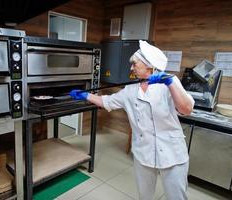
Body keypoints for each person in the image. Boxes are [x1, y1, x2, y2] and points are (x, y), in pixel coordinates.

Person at [69, 40, 194, 200]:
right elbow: (107, 101)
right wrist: (86, 95)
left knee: (177, 196)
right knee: (144, 196)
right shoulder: (130, 90)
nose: (131, 68)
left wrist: (170, 83)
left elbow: (186, 109)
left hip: (172, 151)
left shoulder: (169, 82)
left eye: (134, 64)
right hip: (144, 151)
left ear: (148, 64)